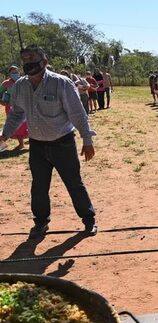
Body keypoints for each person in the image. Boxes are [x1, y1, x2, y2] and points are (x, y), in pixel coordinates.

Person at [0, 45, 98, 239]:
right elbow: (17, 113)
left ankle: (89, 220)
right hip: (37, 146)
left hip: (63, 143)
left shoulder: (62, 83)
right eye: (25, 59)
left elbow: (78, 114)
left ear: (44, 62)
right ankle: (41, 222)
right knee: (39, 186)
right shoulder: (20, 86)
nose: (28, 62)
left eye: (32, 58)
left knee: (74, 183)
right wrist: (4, 135)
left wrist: (87, 140)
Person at [0, 66, 28, 150]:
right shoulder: (6, 83)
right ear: (9, 74)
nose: (15, 74)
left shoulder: (24, 81)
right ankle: (21, 143)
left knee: (25, 125)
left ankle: (30, 142)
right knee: (13, 124)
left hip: (24, 106)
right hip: (11, 107)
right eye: (13, 72)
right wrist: (2, 101)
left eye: (16, 72)